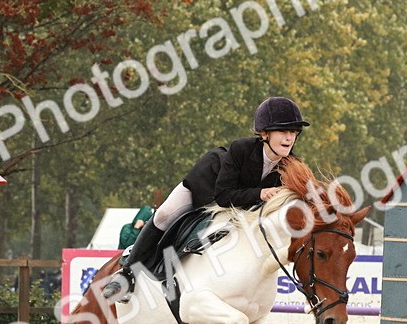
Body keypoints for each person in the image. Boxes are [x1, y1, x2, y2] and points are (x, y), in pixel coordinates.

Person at [102, 96, 310, 301]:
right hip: (206, 187)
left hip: (237, 207)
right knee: (165, 214)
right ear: (264, 133)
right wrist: (260, 193)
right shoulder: (241, 149)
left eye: (293, 132)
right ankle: (126, 273)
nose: (289, 138)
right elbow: (223, 195)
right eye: (283, 131)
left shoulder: (292, 165)